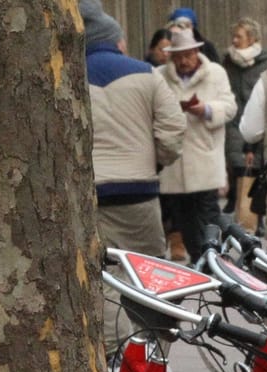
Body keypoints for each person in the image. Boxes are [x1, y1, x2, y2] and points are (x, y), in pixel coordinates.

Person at [83, 0, 184, 259]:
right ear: (117, 41)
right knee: (149, 272)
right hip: (139, 190)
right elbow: (173, 130)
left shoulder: (67, 78)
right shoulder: (147, 73)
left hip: (91, 191)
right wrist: (157, 161)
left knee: (103, 273)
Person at [157, 26, 236, 256]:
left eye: (188, 55)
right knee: (184, 219)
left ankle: (217, 259)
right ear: (171, 56)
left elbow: (230, 107)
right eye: (179, 56)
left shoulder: (216, 73)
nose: (184, 61)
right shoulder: (159, 76)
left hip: (205, 158)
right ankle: (200, 259)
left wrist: (207, 109)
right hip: (175, 163)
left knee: (209, 214)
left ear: (196, 52)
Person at [222, 19, 267, 217]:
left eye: (239, 36)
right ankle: (243, 212)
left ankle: (253, 216)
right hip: (234, 123)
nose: (234, 40)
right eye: (233, 36)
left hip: (259, 125)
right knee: (241, 168)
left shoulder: (266, 64)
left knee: (258, 174)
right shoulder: (227, 62)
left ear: (252, 39)